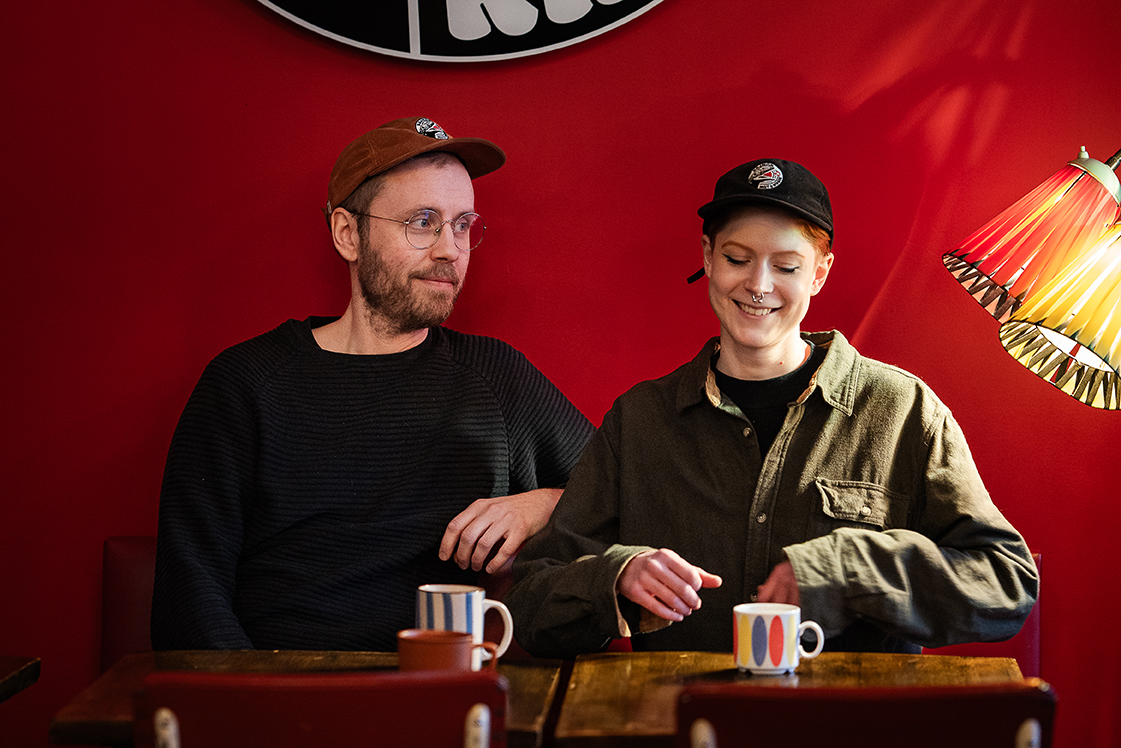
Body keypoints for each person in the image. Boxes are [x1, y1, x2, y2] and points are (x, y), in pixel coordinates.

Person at [505, 158, 1038, 657]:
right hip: (686, 715)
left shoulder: (902, 410)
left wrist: (848, 568)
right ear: (708, 257)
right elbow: (530, 604)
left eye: (785, 266)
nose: (758, 286)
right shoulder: (639, 420)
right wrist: (615, 576)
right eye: (737, 259)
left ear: (819, 273)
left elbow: (1005, 583)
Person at [151, 117, 595, 652]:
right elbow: (189, 594)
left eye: (462, 225)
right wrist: (259, 695)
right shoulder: (246, 384)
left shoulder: (497, 378)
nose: (451, 250)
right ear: (347, 234)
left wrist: (542, 504)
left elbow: (629, 495)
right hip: (284, 687)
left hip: (443, 687)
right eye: (423, 222)